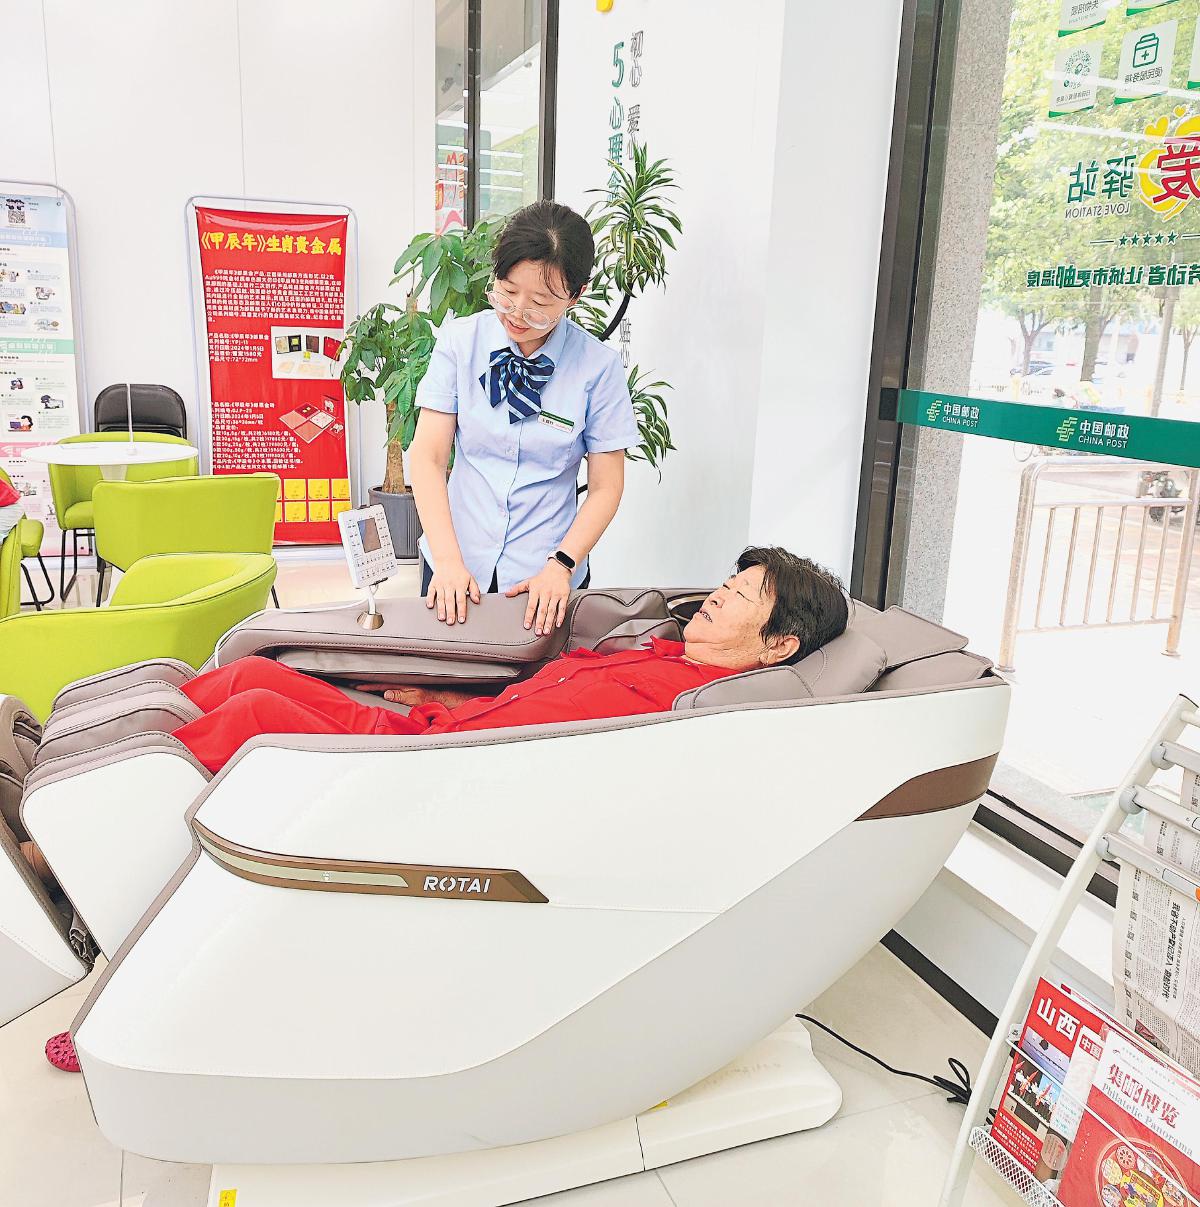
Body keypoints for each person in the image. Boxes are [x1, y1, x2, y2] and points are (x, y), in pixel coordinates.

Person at [173, 547, 849, 775]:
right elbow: (542, 703)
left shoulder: (690, 707)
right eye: (727, 583)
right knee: (255, 673)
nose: (718, 595)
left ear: (779, 644)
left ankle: (133, 794)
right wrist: (447, 701)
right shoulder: (657, 650)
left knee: (254, 711)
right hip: (440, 730)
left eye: (741, 596)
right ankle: (147, 731)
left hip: (433, 766)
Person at [408, 200, 637, 636]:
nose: (516, 313)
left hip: (545, 576)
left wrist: (562, 564)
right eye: (507, 292)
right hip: (456, 560)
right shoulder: (461, 342)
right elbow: (428, 457)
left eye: (540, 303)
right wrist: (449, 561)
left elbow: (606, 486)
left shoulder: (598, 368)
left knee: (538, 678)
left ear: (576, 295)